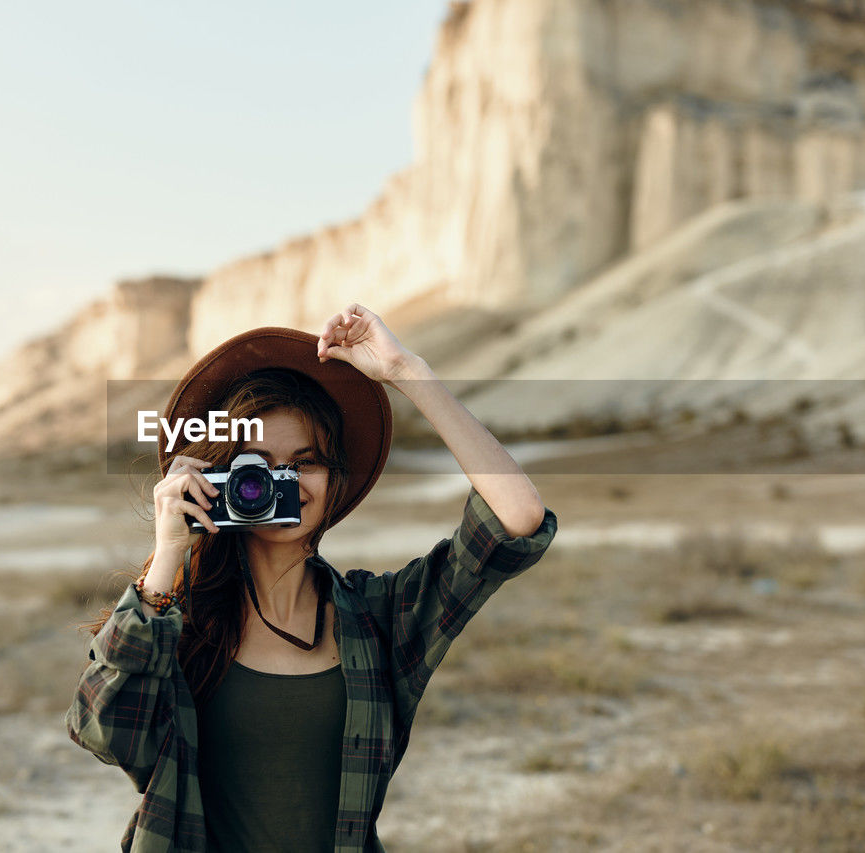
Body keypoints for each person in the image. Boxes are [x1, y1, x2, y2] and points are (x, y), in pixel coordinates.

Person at [67, 304, 558, 852]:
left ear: (336, 480)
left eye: (306, 461)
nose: (282, 481)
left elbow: (517, 520)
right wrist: (167, 560)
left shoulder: (380, 618)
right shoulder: (176, 625)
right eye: (257, 464)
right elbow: (101, 729)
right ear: (219, 477)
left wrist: (408, 372)